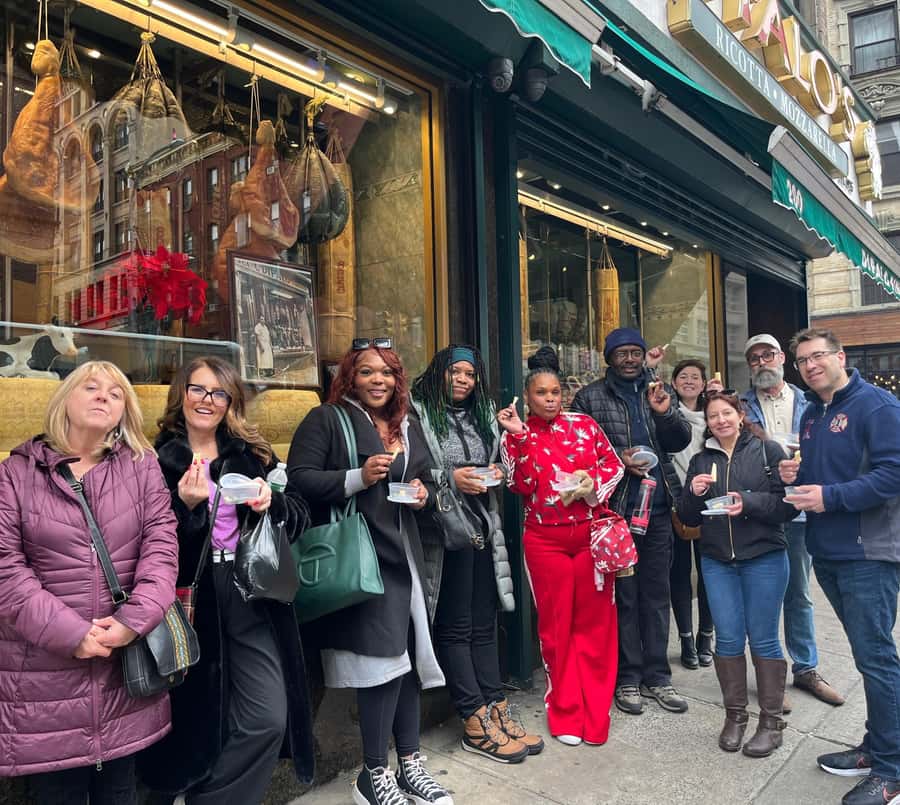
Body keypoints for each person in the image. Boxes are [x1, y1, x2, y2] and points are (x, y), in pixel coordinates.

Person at [138, 356, 315, 804]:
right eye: (198, 389)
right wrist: (186, 508)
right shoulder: (154, 462)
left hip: (250, 590)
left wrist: (269, 504)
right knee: (196, 724)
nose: (207, 400)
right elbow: (142, 542)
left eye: (219, 393)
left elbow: (300, 516)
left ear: (230, 401)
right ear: (182, 393)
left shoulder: (251, 455)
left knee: (268, 719)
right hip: (189, 602)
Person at [0, 361, 178, 802]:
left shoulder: (143, 467)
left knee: (120, 790)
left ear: (124, 413)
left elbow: (161, 550)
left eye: (116, 393)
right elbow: (6, 567)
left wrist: (133, 621)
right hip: (42, 677)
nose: (104, 396)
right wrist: (72, 634)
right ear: (65, 399)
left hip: (125, 673)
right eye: (91, 387)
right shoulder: (15, 473)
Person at [288, 338, 453, 805]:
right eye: (366, 372)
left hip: (406, 557)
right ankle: (373, 774)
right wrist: (357, 477)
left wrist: (422, 494)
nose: (377, 380)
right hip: (363, 561)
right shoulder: (327, 418)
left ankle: (410, 763)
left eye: (386, 372)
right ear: (349, 378)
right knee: (382, 667)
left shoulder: (408, 422)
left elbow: (426, 479)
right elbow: (298, 478)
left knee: (405, 666)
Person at [779, 328, 900, 805]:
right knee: (867, 658)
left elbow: (892, 476)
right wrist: (798, 476)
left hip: (868, 553)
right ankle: (877, 747)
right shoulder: (813, 413)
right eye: (802, 360)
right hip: (827, 550)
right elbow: (822, 478)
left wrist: (828, 496)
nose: (810, 366)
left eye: (818, 356)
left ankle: (891, 770)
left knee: (877, 659)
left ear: (840, 357)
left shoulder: (877, 406)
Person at [411, 345, 540, 764]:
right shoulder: (415, 413)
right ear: (439, 374)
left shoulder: (484, 414)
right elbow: (408, 471)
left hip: (485, 528)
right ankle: (473, 717)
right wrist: (449, 477)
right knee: (456, 626)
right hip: (445, 533)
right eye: (456, 372)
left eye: (470, 373)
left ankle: (495, 705)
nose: (464, 380)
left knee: (485, 625)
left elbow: (508, 466)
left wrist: (497, 468)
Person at [498, 346, 624, 747]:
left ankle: (596, 710)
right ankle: (566, 709)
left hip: (589, 536)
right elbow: (521, 485)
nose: (550, 398)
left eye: (555, 392)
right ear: (528, 396)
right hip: (544, 541)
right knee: (557, 629)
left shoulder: (584, 425)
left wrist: (593, 487)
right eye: (541, 393)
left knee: (597, 625)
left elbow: (613, 464)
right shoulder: (516, 434)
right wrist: (519, 437)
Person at [570, 327, 692, 716]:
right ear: (608, 358)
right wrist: (614, 459)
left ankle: (658, 676)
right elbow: (574, 454)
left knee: (656, 595)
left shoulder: (657, 391)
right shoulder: (589, 397)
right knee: (622, 598)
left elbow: (679, 441)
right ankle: (627, 677)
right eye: (620, 353)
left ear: (643, 356)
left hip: (656, 510)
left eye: (634, 352)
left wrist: (666, 413)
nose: (628, 359)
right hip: (614, 514)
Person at [678, 390, 796, 757]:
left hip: (764, 556)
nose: (720, 421)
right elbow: (688, 517)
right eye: (713, 416)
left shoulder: (767, 451)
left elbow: (787, 506)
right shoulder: (700, 460)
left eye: (726, 413)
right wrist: (694, 494)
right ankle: (735, 717)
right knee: (727, 640)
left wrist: (748, 501)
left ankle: (771, 722)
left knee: (763, 640)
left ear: (740, 414)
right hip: (717, 561)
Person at [740, 334, 843, 707]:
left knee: (798, 592)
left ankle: (806, 668)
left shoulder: (809, 401)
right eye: (754, 358)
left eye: (768, 355)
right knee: (763, 594)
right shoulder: (740, 405)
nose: (762, 362)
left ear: (782, 358)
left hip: (798, 507)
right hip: (762, 508)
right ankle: (772, 677)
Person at [669, 359, 715, 670]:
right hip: (675, 500)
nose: (689, 381)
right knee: (679, 573)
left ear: (703, 383)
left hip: (711, 502)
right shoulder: (666, 415)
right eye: (682, 376)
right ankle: (685, 638)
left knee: (710, 573)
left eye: (695, 377)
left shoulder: (714, 414)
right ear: (673, 383)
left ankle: (705, 637)